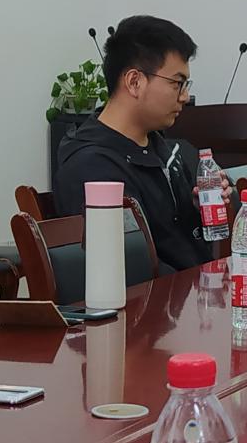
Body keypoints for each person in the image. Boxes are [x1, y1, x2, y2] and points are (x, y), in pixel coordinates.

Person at [53, 14, 211, 273]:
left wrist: (203, 207)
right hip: (155, 295)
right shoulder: (91, 167)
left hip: (193, 287)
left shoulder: (163, 149)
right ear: (135, 82)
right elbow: (131, 267)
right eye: (177, 83)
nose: (185, 96)